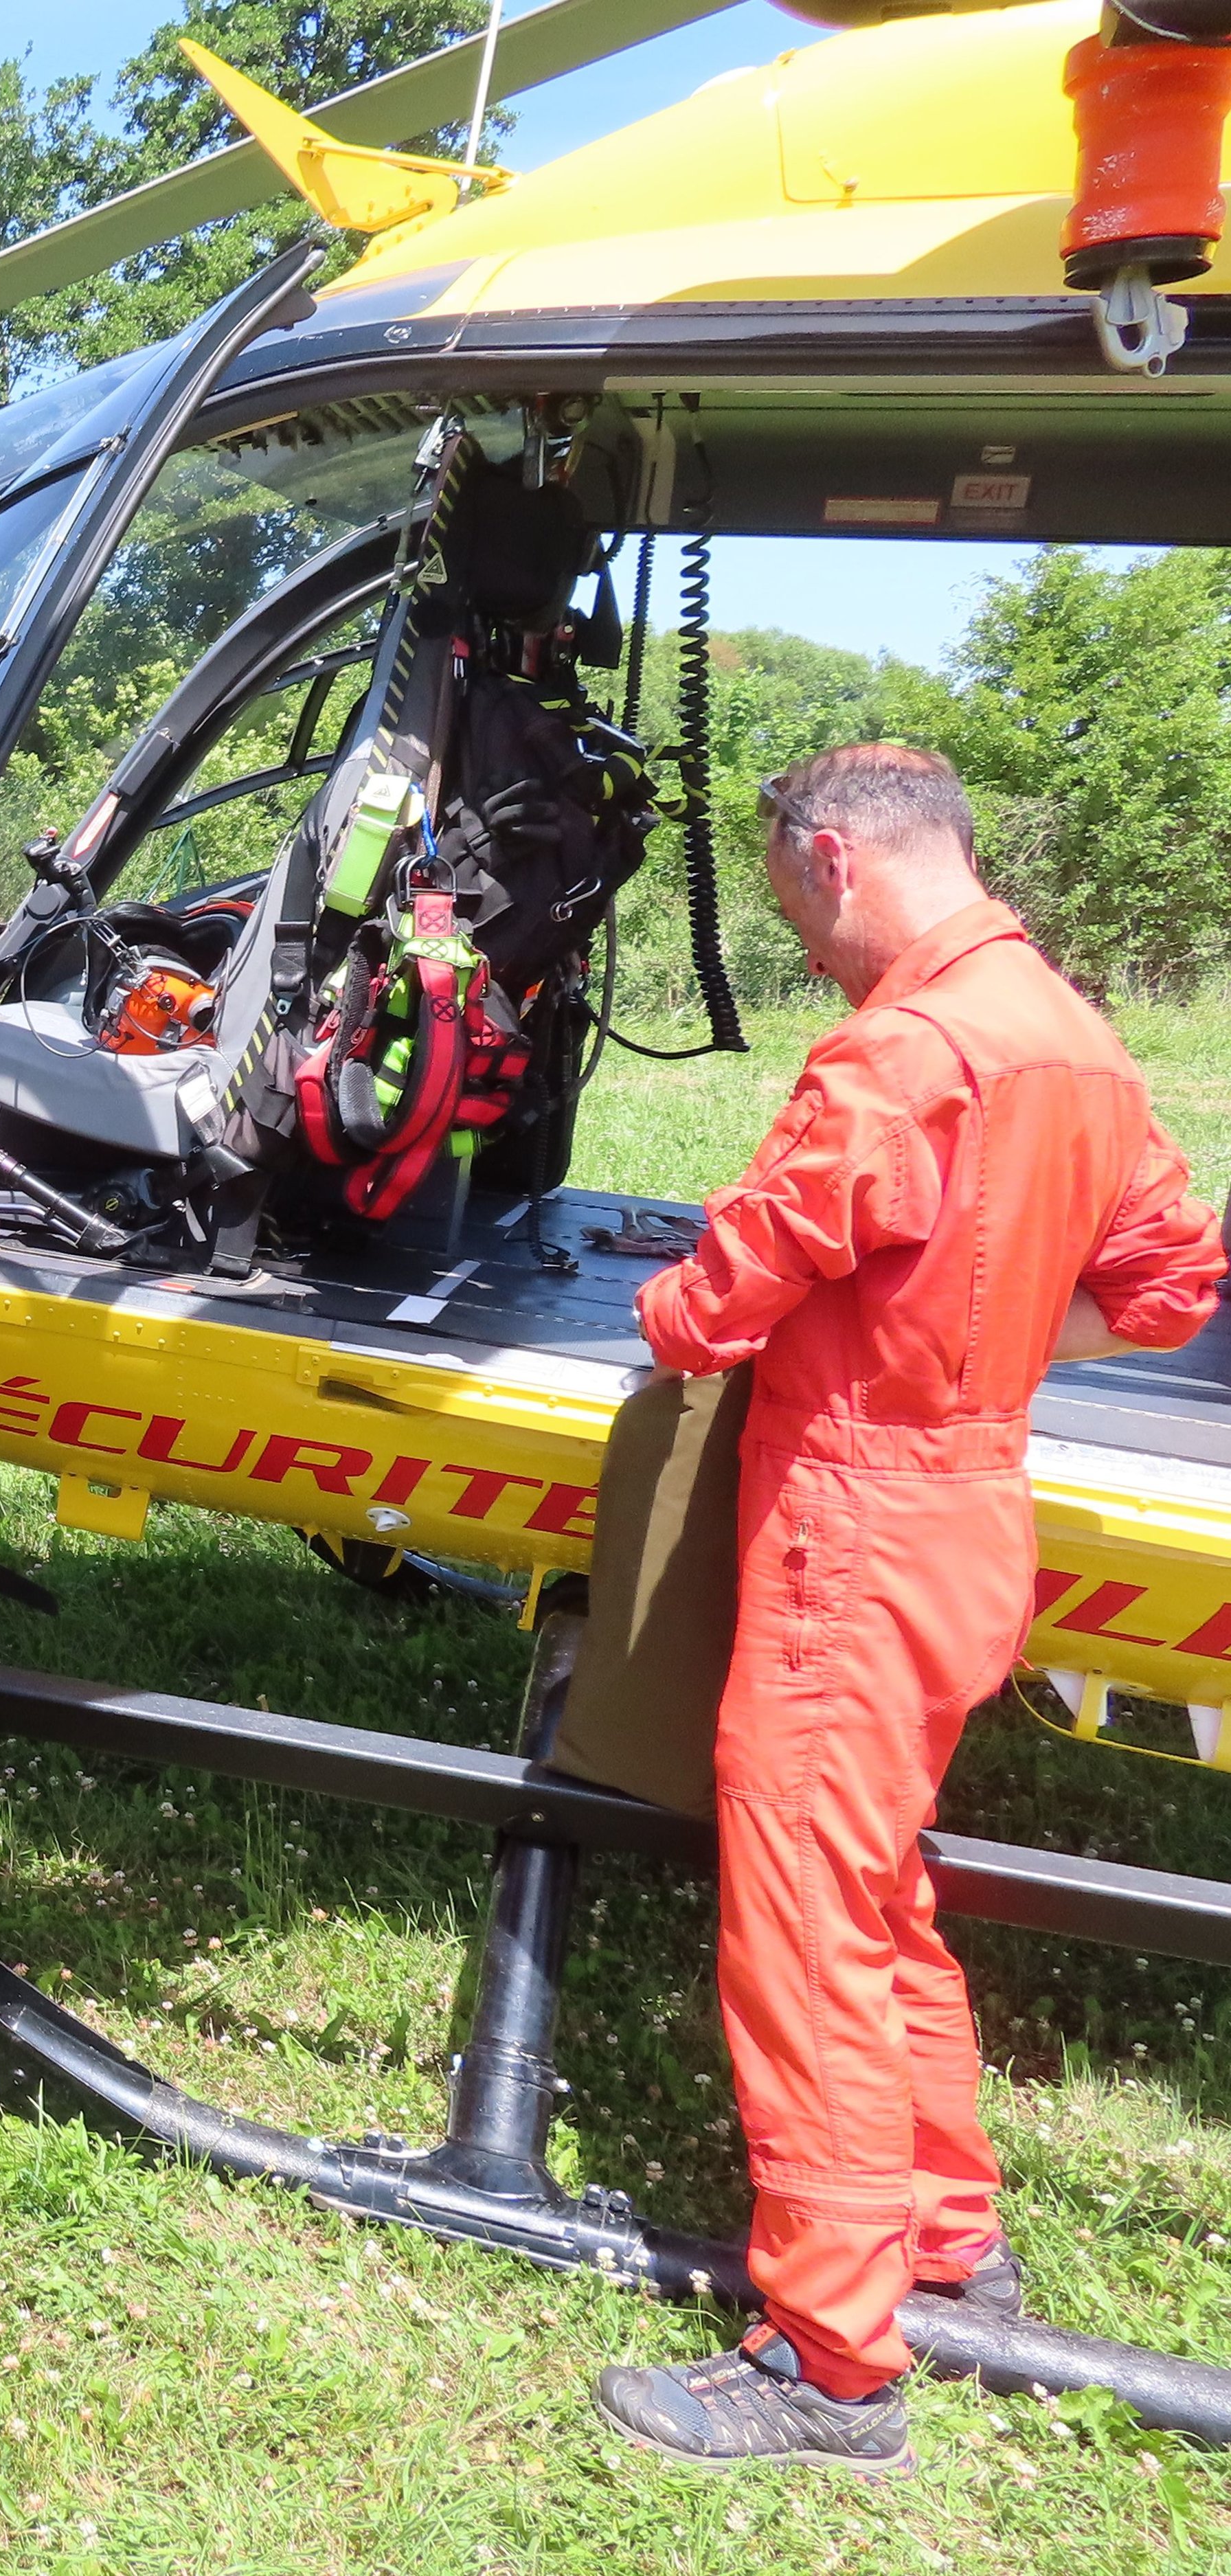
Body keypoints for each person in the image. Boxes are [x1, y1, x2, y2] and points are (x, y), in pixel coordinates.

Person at [592, 743, 1221, 2473]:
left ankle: (830, 2360)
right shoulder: (1074, 1033)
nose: (803, 945)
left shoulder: (902, 1052)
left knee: (801, 1920)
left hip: (854, 1531)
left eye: (794, 911)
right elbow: (1169, 1285)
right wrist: (988, 1344)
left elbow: (717, 1304)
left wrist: (664, 1307)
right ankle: (951, 2239)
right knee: (878, 1887)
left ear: (830, 864)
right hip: (972, 1511)